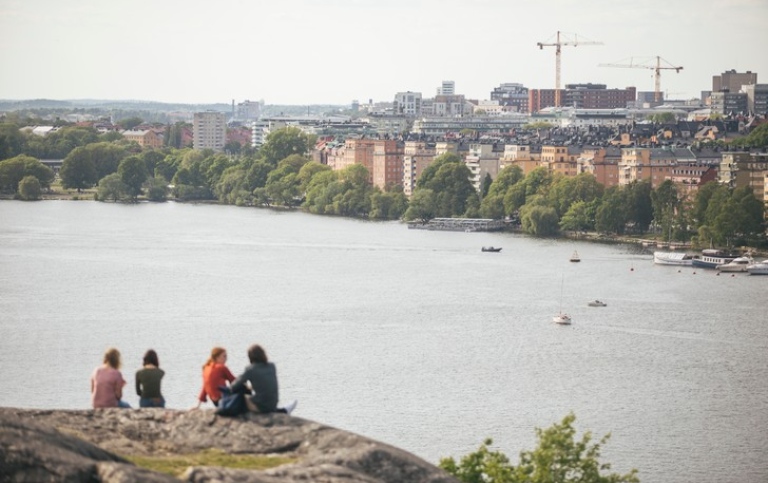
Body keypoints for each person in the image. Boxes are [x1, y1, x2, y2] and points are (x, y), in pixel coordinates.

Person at [230, 344, 297, 414]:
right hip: (273, 404)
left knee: (240, 392)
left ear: (250, 357)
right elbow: (264, 383)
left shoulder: (250, 369)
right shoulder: (272, 366)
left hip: (261, 406)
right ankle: (282, 410)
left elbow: (233, 387)